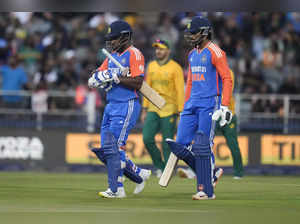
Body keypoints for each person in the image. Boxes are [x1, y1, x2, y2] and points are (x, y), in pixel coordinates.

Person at [165, 16, 233, 200]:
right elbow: (190, 82)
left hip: (210, 103)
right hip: (192, 103)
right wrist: (185, 106)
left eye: (194, 33)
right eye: (190, 33)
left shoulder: (216, 52)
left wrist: (225, 106)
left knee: (202, 146)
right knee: (180, 146)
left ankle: (205, 190)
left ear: (204, 32)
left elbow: (227, 78)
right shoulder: (192, 54)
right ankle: (211, 174)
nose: (191, 36)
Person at [88, 20, 151, 198]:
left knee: (114, 147)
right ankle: (138, 174)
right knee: (108, 149)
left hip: (127, 104)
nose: (112, 42)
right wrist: (99, 76)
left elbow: (138, 82)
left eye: (115, 38)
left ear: (125, 37)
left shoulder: (135, 54)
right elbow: (97, 74)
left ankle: (116, 189)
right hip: (111, 105)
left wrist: (117, 78)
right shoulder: (112, 56)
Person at [177, 69, 244, 180]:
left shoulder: (227, 72)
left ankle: (238, 172)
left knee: (233, 145)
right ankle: (196, 170)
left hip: (227, 115)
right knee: (202, 141)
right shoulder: (207, 71)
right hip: (211, 113)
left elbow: (225, 92)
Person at [141, 39, 184, 178]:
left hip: (169, 108)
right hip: (153, 107)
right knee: (147, 138)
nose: (158, 51)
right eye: (156, 48)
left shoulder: (175, 67)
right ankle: (160, 166)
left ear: (168, 51)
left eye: (161, 48)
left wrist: (181, 112)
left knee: (168, 142)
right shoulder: (151, 66)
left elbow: (180, 91)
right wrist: (144, 109)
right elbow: (147, 88)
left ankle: (168, 171)